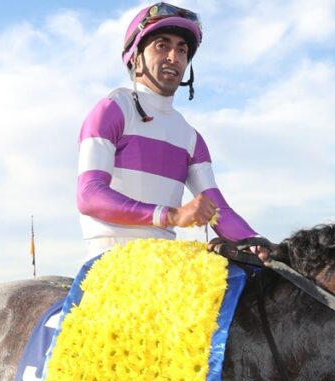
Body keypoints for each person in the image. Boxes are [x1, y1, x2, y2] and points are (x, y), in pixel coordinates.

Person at [77, 3, 263, 259]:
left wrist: (258, 242)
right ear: (135, 57)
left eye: (182, 50)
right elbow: (89, 195)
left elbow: (219, 211)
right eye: (162, 46)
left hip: (166, 260)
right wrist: (171, 215)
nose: (174, 57)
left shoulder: (191, 137)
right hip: (111, 257)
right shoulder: (113, 109)